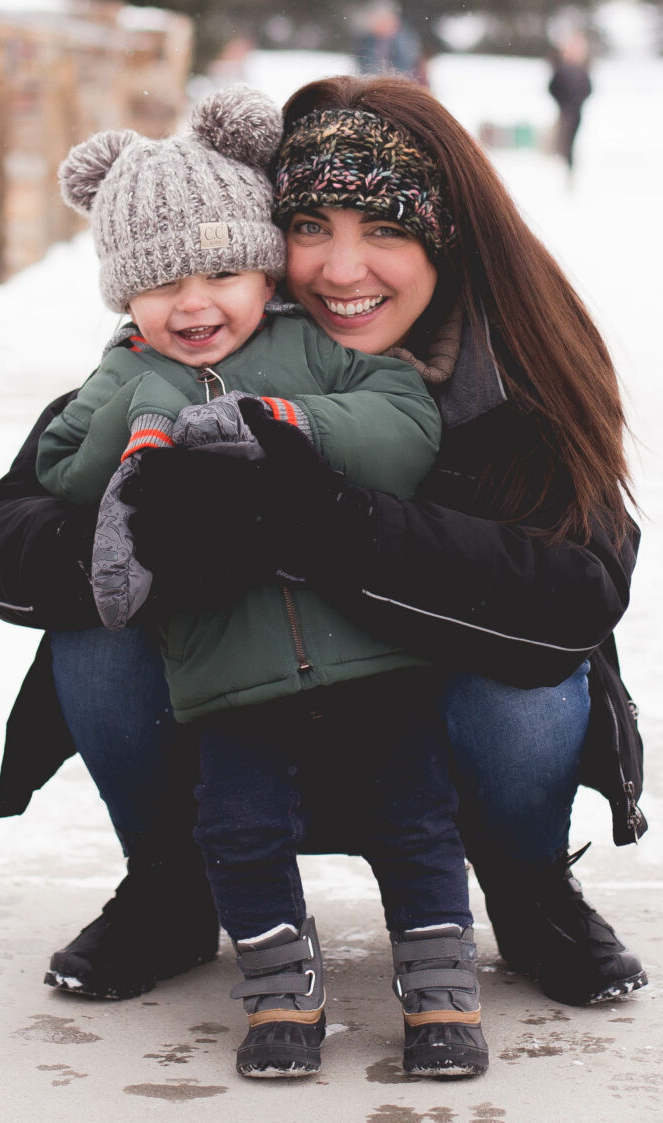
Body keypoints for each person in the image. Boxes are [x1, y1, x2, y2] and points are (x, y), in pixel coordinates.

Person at [0, 74, 648, 1020]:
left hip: (422, 730)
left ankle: (528, 891)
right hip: (236, 720)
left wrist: (327, 523)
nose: (339, 268)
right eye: (311, 225)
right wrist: (151, 532)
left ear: (447, 238)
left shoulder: (515, 367)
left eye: (385, 231)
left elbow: (577, 591)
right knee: (97, 627)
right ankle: (172, 884)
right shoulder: (187, 343)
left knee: (527, 675)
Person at [35, 85, 483, 1080]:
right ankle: (281, 993)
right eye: (160, 288)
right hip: (225, 672)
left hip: (370, 655)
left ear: (264, 267)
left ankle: (440, 990)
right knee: (235, 830)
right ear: (123, 297)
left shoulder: (313, 352)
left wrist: (288, 426)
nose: (194, 304)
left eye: (225, 272)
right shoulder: (128, 373)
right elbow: (61, 470)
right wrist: (136, 404)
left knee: (416, 819)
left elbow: (405, 426)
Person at [549, 28, 594, 176]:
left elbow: (588, 89)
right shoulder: (563, 70)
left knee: (569, 139)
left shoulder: (581, 71)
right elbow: (553, 87)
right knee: (564, 138)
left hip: (574, 110)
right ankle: (564, 164)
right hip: (566, 109)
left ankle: (567, 165)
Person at [352, 0, 424, 80]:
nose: (381, 24)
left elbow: (408, 63)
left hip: (400, 83)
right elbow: (363, 64)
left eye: (384, 20)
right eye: (378, 20)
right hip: (373, 83)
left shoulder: (403, 40)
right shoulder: (367, 40)